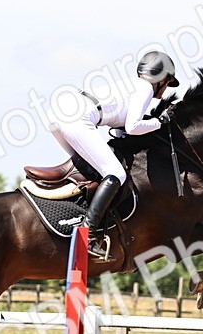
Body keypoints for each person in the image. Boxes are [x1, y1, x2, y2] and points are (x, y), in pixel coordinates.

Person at [49, 50, 180, 258]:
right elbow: (133, 126)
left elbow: (122, 130)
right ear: (161, 78)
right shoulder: (145, 88)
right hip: (77, 118)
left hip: (60, 113)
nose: (164, 91)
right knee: (116, 174)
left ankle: (71, 214)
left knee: (89, 169)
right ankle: (88, 234)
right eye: (168, 83)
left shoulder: (131, 85)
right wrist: (160, 122)